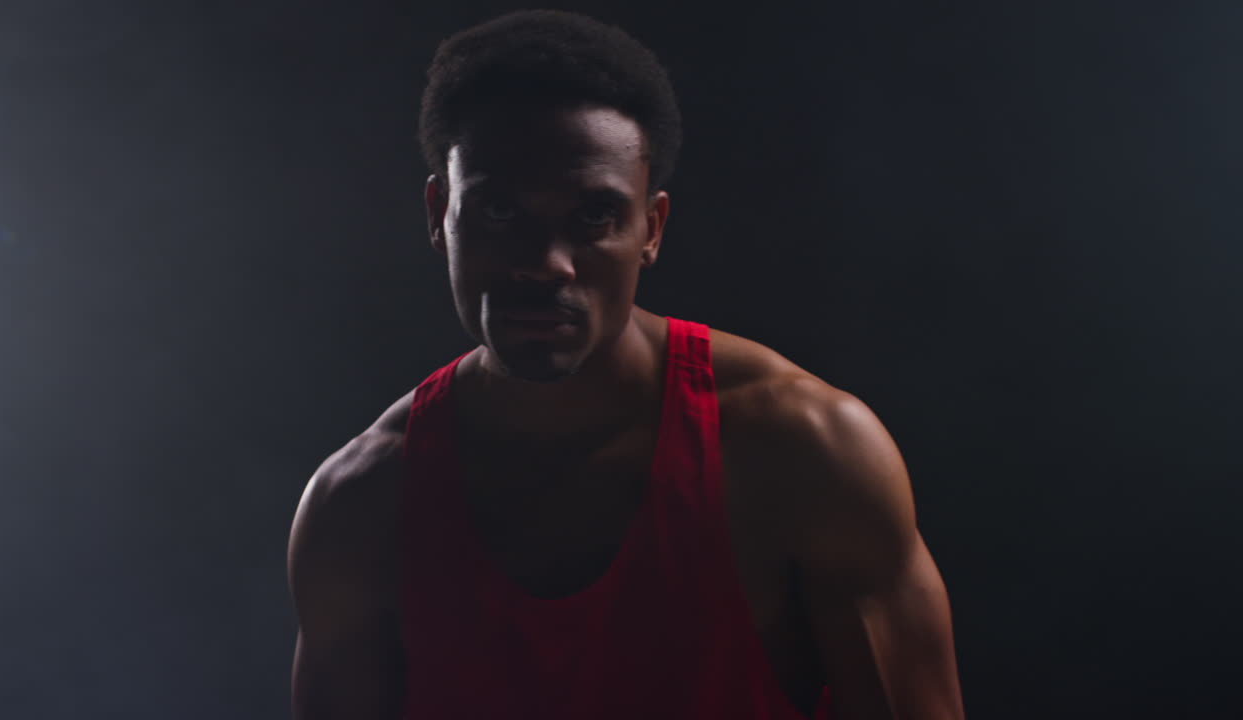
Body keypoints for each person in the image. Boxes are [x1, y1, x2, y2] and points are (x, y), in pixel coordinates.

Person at [287, 9, 964, 719]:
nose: (544, 264)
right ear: (438, 214)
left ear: (652, 228)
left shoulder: (804, 449)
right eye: (497, 212)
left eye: (591, 218)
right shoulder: (359, 506)